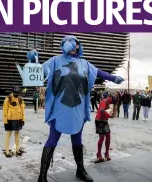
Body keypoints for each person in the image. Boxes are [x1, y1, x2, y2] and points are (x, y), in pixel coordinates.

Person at [37, 36, 124, 182]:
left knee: (77, 139)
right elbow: (39, 72)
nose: (72, 44)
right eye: (68, 41)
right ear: (63, 44)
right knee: (52, 140)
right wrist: (33, 63)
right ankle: (42, 176)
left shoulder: (84, 64)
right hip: (60, 110)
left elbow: (99, 73)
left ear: (78, 46)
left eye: (75, 42)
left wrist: (113, 78)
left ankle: (80, 170)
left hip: (77, 109)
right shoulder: (55, 61)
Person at [3, 87, 25, 157]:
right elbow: (4, 110)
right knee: (8, 135)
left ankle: (17, 150)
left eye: (17, 93)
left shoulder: (20, 99)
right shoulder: (8, 98)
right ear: (13, 92)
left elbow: (22, 109)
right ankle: (7, 151)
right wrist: (5, 121)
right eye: (15, 93)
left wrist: (23, 119)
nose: (16, 95)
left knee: (17, 135)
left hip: (18, 119)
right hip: (9, 119)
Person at [95, 95, 113, 163]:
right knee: (102, 138)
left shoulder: (109, 103)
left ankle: (106, 153)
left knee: (108, 136)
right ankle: (99, 154)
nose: (112, 101)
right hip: (99, 120)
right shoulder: (104, 101)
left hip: (104, 121)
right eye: (112, 99)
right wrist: (109, 115)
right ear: (109, 97)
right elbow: (102, 110)